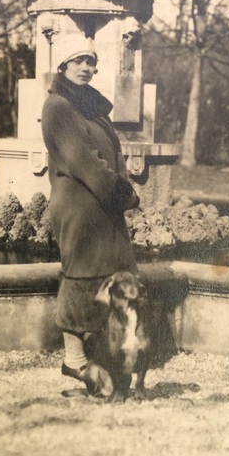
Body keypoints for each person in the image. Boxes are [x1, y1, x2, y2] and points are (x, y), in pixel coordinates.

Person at [41, 35, 139, 389]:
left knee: (112, 276)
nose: (87, 67)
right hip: (80, 209)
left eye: (92, 61)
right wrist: (124, 194)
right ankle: (74, 360)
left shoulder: (92, 107)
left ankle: (100, 359)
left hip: (105, 206)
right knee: (81, 277)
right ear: (64, 65)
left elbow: (113, 156)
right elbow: (84, 161)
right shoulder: (58, 107)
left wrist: (122, 187)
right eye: (79, 60)